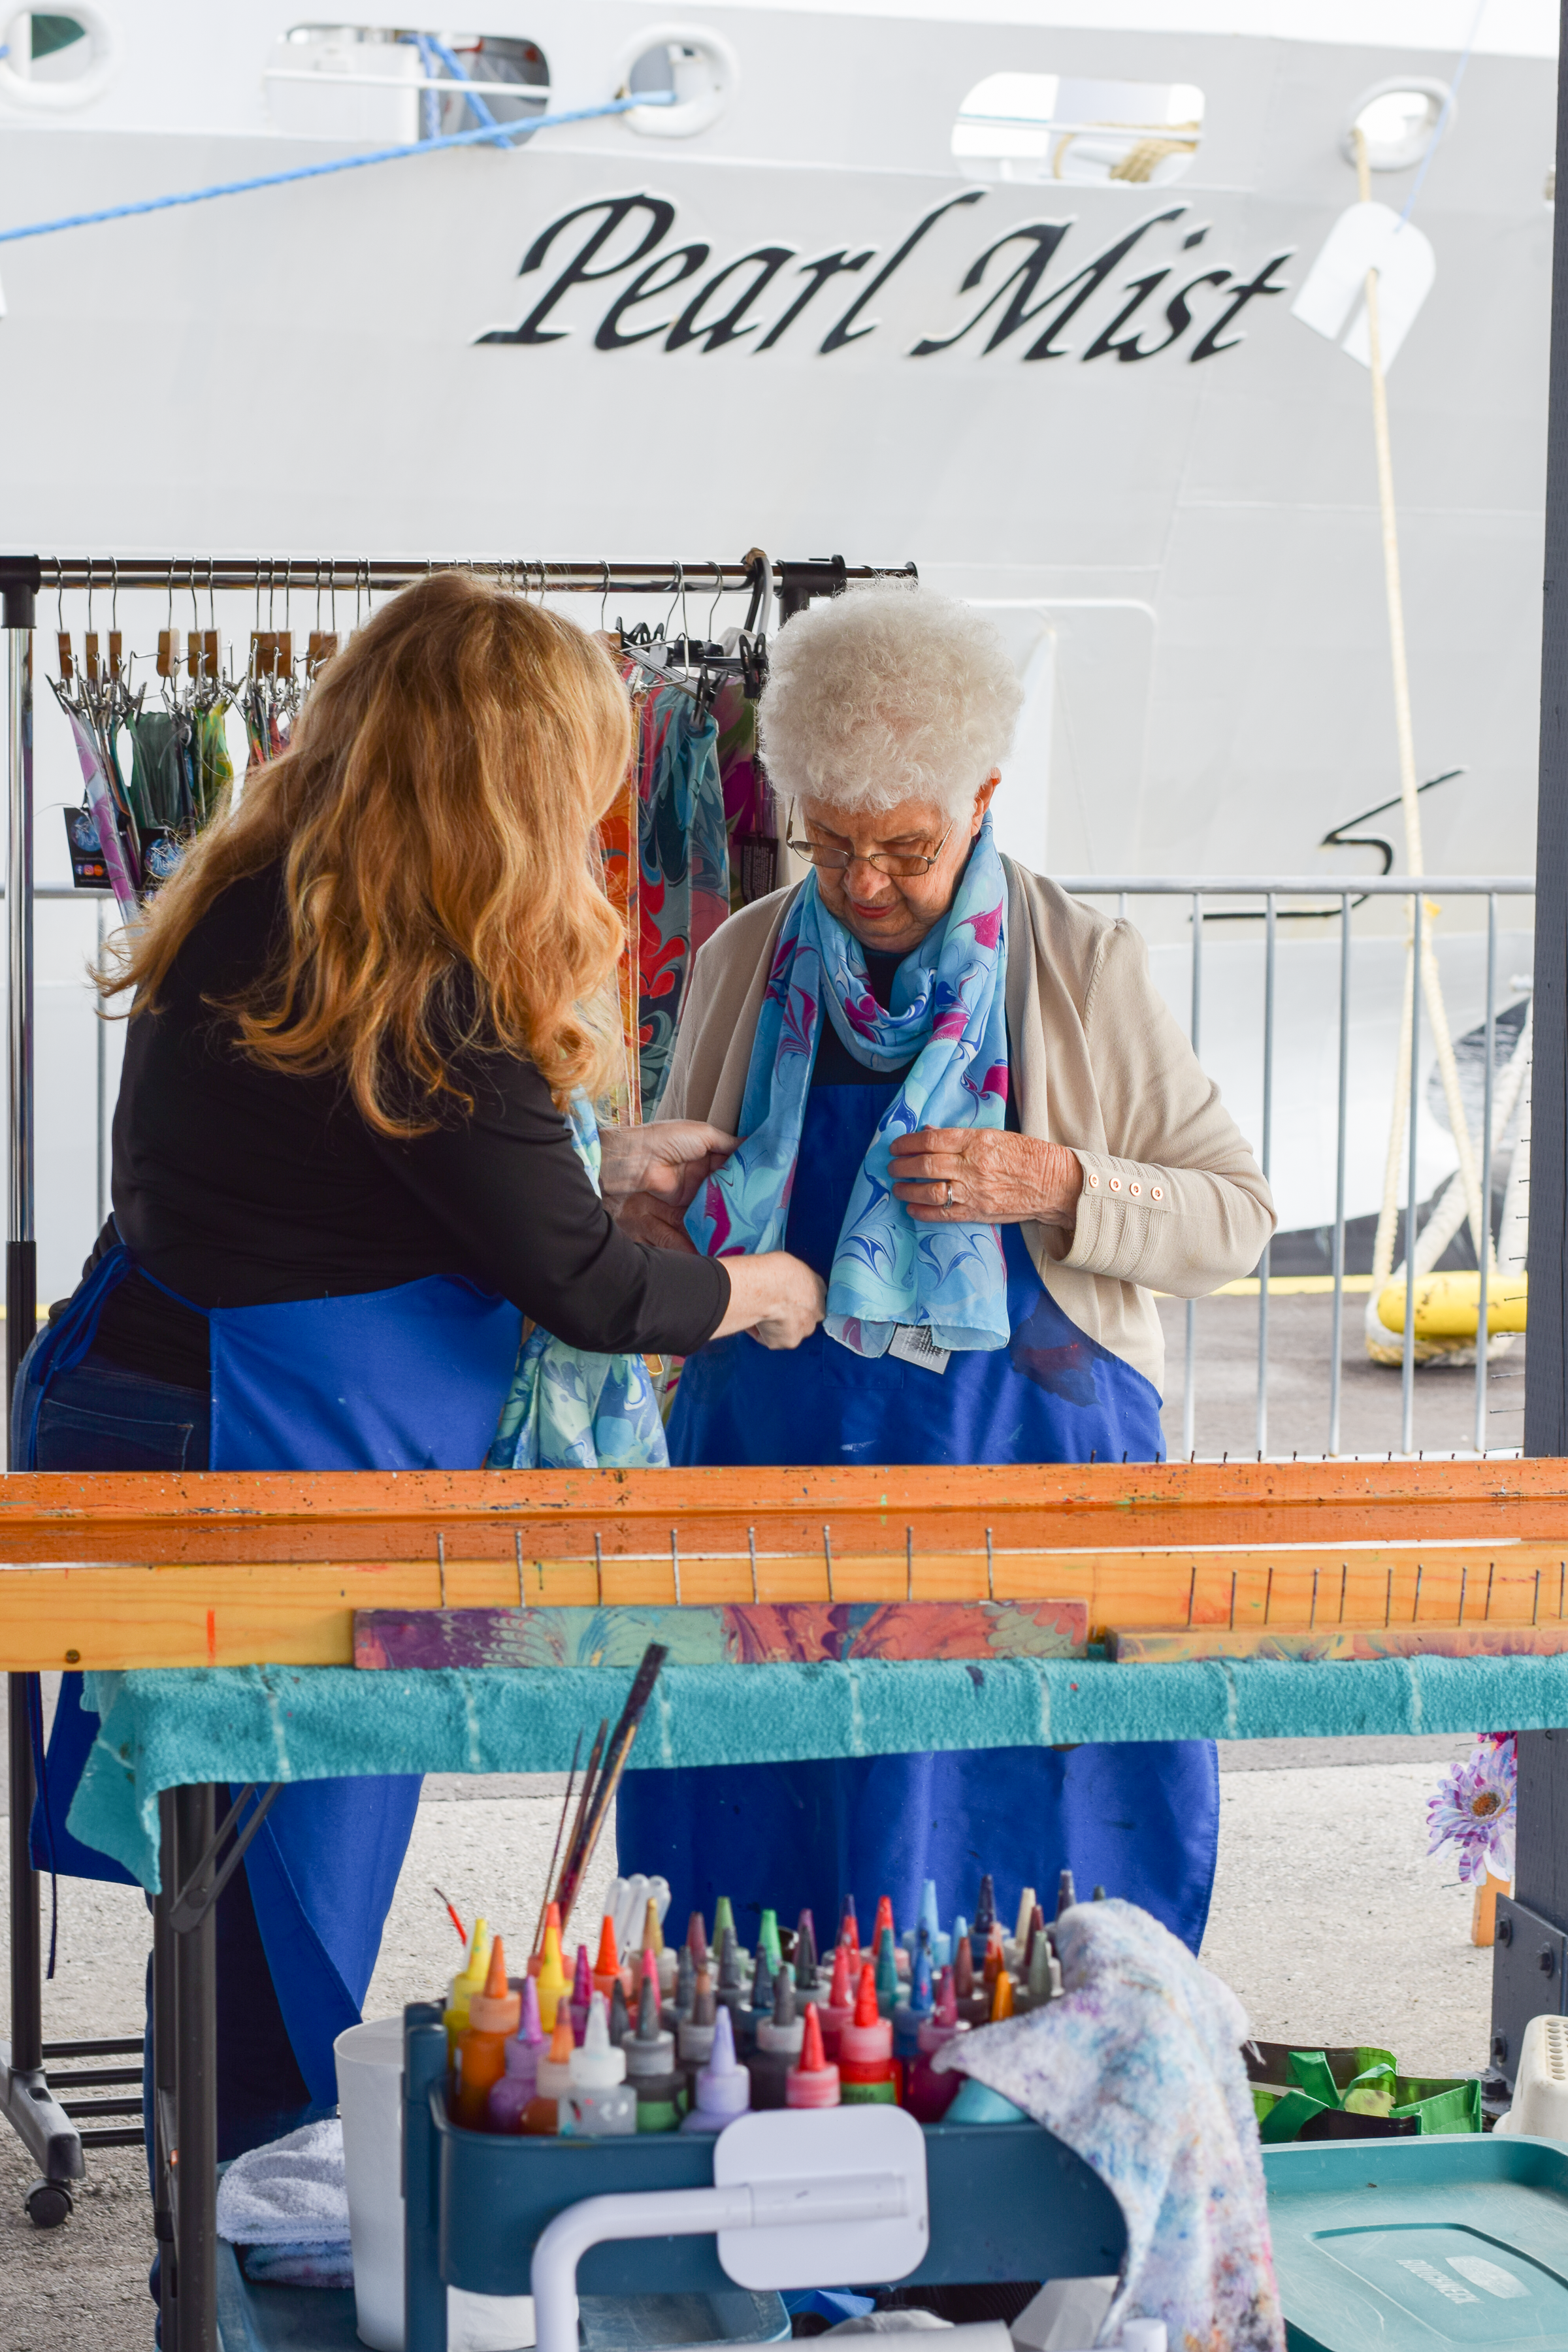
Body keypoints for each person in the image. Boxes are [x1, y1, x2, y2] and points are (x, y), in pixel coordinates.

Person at [15, 571, 824, 2176]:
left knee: (214, 1864)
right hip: (252, 1439)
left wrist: (577, 1159)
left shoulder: (265, 896)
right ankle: (245, 2223)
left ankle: (223, 2183)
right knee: (272, 1880)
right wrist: (762, 1287)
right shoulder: (435, 994)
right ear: (511, 777)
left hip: (144, 1382)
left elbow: (375, 1179)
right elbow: (588, 1293)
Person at [615, 581, 1275, 1953]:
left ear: (981, 794)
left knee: (1035, 1845)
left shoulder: (1082, 964)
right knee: (771, 1852)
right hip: (770, 1479)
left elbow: (1235, 1217)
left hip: (1030, 1475)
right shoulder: (746, 957)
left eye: (904, 848)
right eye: (832, 840)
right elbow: (691, 1239)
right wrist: (661, 1223)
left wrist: (1061, 1182)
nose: (863, 884)